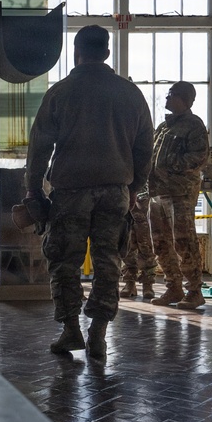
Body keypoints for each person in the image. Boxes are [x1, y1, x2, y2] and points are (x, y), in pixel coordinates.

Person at [24, 25, 153, 361]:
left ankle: (70, 331)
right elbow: (144, 149)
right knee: (109, 260)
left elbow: (39, 148)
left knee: (65, 261)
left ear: (76, 51)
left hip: (71, 192)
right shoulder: (130, 94)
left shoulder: (61, 92)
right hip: (115, 192)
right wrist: (133, 188)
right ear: (107, 53)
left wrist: (33, 192)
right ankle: (98, 334)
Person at [147, 81, 208, 309]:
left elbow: (198, 157)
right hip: (157, 193)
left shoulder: (194, 126)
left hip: (180, 193)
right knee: (160, 242)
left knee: (184, 241)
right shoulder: (164, 127)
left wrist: (168, 165)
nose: (167, 98)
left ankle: (194, 290)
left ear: (185, 99)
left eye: (171, 95)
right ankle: (173, 287)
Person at [118, 182, 156, 300]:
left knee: (146, 245)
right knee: (127, 244)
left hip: (144, 201)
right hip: (124, 198)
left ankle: (147, 284)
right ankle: (130, 283)